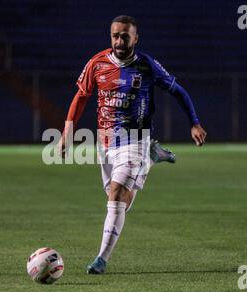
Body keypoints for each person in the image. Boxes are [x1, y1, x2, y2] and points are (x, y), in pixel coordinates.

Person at [58, 15, 207, 274]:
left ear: (135, 38)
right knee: (120, 201)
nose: (119, 40)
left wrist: (194, 122)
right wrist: (67, 131)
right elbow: (81, 96)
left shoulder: (147, 66)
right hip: (105, 142)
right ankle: (152, 157)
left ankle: (101, 259)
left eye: (125, 36)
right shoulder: (97, 63)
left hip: (136, 139)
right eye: (115, 35)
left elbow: (178, 91)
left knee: (116, 194)